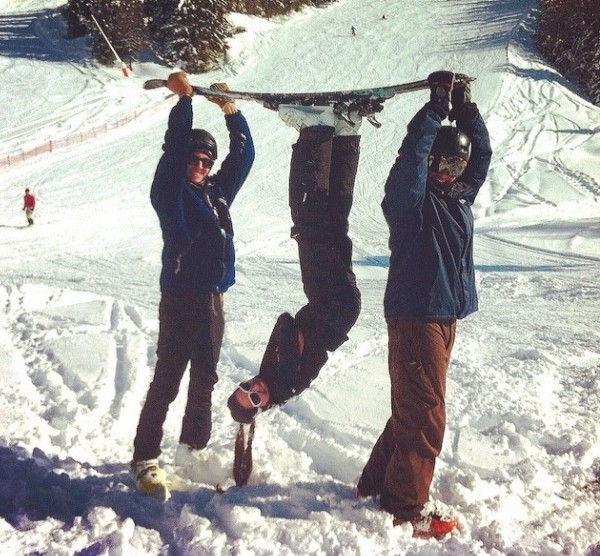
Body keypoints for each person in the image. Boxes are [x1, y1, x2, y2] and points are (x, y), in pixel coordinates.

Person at [355, 71, 492, 539]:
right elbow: (408, 163)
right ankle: (407, 507)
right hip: (417, 316)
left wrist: (466, 111)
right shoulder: (411, 203)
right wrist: (434, 110)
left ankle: (373, 485)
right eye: (439, 164)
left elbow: (483, 156)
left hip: (443, 316)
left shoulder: (458, 198)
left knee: (412, 407)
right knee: (427, 413)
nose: (446, 173)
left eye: (455, 166)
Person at [130, 71, 255, 498]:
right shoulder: (170, 192)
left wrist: (230, 111)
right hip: (181, 297)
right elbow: (171, 152)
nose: (200, 166)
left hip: (213, 300)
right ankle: (145, 458)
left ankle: (191, 450)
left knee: (205, 377)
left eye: (206, 160)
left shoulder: (217, 192)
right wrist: (185, 104)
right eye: (194, 159)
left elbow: (244, 156)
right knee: (168, 377)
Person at [227, 102, 364, 424]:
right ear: (263, 406)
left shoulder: (275, 378)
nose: (253, 387)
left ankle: (346, 132)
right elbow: (287, 323)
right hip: (330, 305)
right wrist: (295, 336)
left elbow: (291, 328)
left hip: (334, 306)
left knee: (331, 221)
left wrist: (297, 335)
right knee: (309, 220)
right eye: (254, 397)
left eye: (244, 387)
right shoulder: (283, 383)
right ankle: (316, 130)